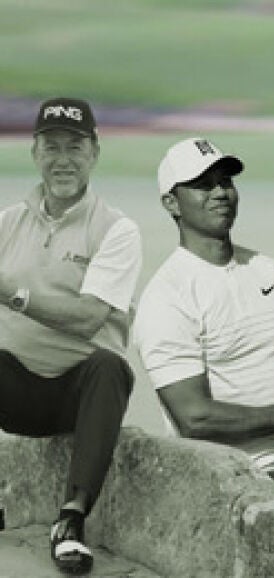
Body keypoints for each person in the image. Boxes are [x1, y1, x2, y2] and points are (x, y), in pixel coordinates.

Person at [133, 137, 274, 497]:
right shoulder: (167, 296)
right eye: (203, 185)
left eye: (225, 181)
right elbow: (194, 418)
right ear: (171, 202)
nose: (220, 192)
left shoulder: (268, 271)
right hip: (220, 490)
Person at [0, 97, 142, 575]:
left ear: (94, 153)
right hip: (16, 389)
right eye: (52, 147)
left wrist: (13, 295)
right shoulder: (7, 222)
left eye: (75, 147)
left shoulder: (117, 230)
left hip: (79, 397)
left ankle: (71, 521)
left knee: (110, 367)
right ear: (34, 153)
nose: (63, 159)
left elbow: (88, 319)